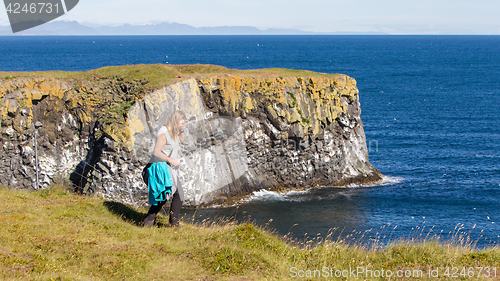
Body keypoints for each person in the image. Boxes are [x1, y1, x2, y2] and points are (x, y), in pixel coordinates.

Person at [143, 110, 186, 227]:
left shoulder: (173, 132)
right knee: (164, 196)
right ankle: (149, 222)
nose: (182, 126)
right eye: (181, 123)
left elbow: (181, 140)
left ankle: (173, 223)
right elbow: (156, 152)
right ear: (175, 121)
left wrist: (181, 130)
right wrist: (171, 160)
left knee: (177, 195)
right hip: (159, 169)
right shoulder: (164, 132)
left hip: (169, 169)